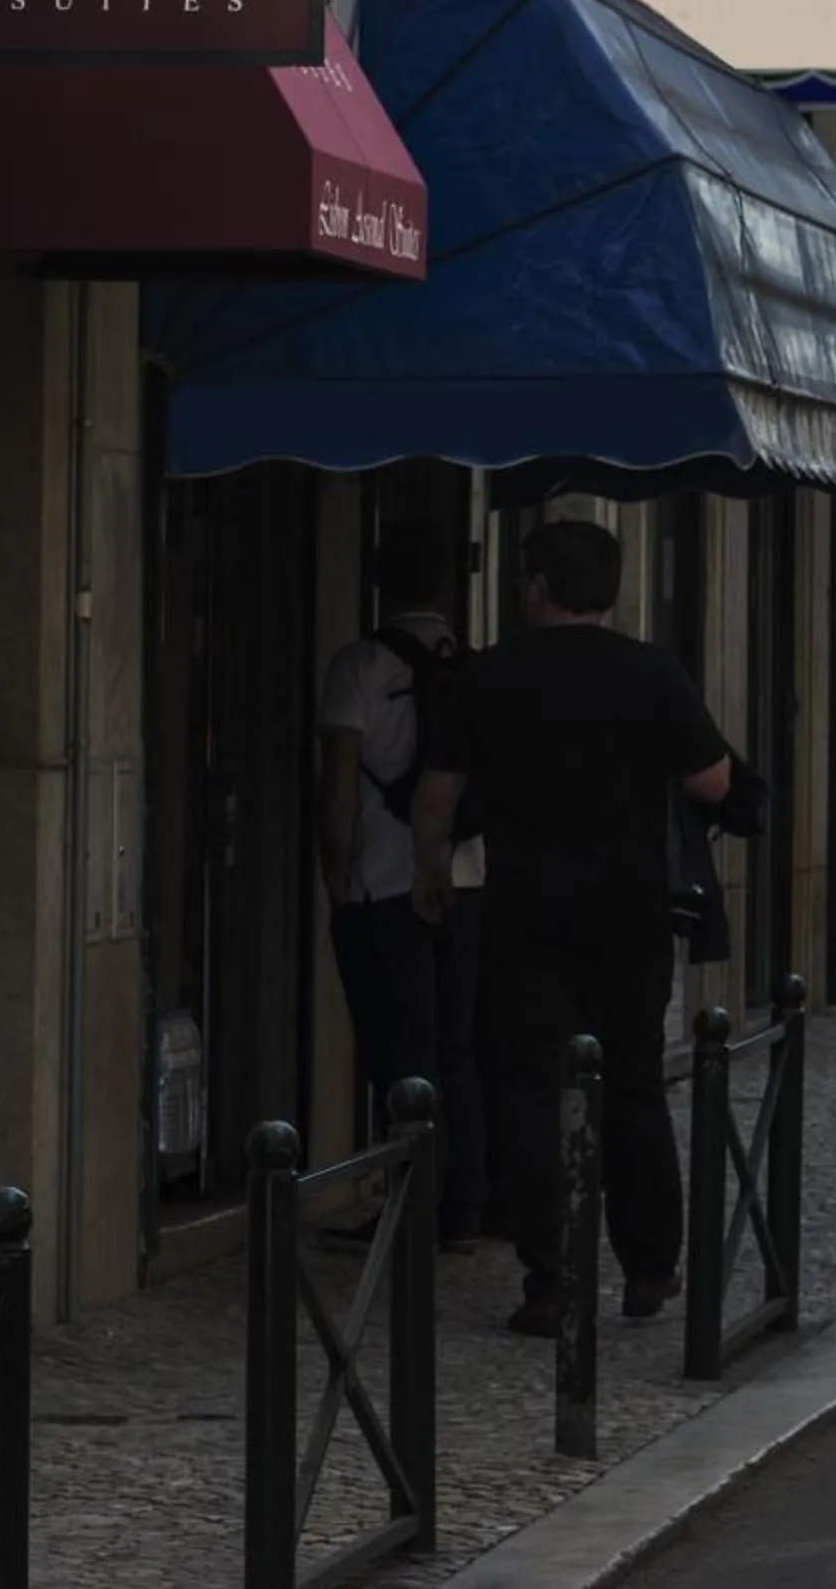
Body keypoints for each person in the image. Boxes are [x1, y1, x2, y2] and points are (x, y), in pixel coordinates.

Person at [409, 519, 734, 1338]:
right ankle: (651, 1267)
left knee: (531, 1092)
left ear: (538, 587)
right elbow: (712, 779)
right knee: (632, 1085)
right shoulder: (651, 672)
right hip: (630, 915)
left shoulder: (491, 677)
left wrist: (431, 871)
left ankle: (550, 1280)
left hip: (526, 915)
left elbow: (438, 793)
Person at [316, 521, 487, 1250]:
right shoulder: (475, 665)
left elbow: (338, 792)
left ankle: (410, 1205)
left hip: (383, 886)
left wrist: (336, 881)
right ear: (449, 587)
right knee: (457, 1046)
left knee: (398, 1050)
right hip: (468, 878)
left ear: (379, 583)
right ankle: (465, 1205)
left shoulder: (358, 665)